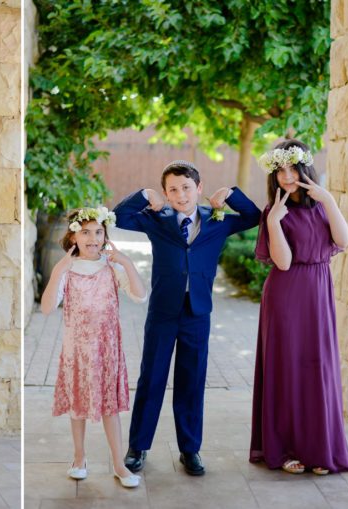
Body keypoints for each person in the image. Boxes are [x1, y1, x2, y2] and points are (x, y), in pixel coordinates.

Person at [114, 160, 261, 476]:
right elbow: (120, 217)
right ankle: (137, 446)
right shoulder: (157, 219)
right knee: (151, 378)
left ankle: (190, 450)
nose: (181, 194)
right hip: (163, 312)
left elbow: (253, 217)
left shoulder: (218, 220)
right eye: (173, 189)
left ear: (199, 188)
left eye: (186, 187)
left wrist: (231, 195)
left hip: (197, 313)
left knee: (191, 381)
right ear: (166, 194)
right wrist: (144, 194)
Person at [249, 139, 348, 475]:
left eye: (292, 168)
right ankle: (284, 450)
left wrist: (328, 199)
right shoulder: (273, 211)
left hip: (318, 290)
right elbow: (282, 262)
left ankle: (318, 449)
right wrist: (273, 222)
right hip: (285, 294)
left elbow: (343, 241)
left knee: (318, 367)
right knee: (287, 369)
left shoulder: (322, 204)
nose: (286, 176)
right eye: (280, 170)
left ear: (304, 167)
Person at [40, 207, 146, 488]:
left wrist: (126, 261)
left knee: (110, 407)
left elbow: (139, 295)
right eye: (85, 232)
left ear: (105, 236)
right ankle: (78, 457)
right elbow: (48, 307)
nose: (93, 238)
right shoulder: (68, 269)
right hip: (77, 350)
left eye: (98, 232)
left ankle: (119, 464)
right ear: (73, 236)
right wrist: (59, 269)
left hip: (107, 350)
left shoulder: (112, 267)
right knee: (78, 404)